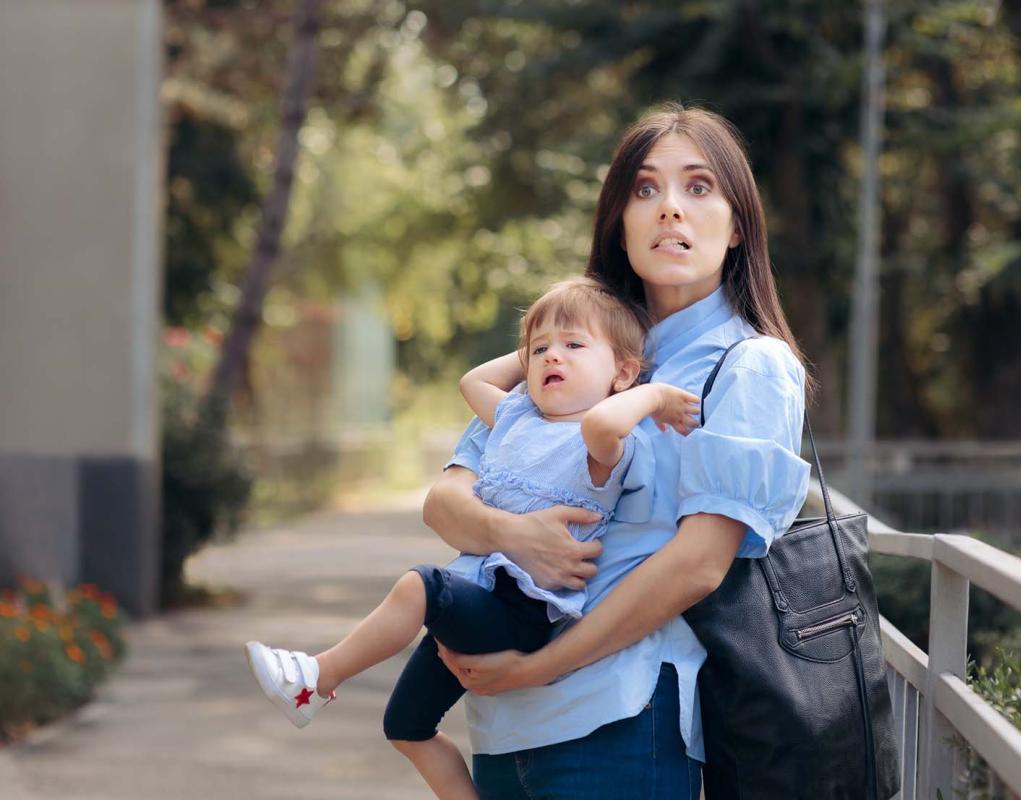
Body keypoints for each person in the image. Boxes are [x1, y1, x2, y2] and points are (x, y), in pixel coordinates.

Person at [423, 102, 812, 799]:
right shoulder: (574, 347)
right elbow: (447, 501)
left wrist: (541, 667)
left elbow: (697, 565)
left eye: (698, 188)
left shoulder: (749, 366)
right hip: (501, 724)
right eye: (644, 189)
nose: (669, 210)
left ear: (737, 227)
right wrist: (516, 534)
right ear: (619, 222)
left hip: (618, 720)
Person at [244, 276, 702, 800]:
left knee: (422, 586)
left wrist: (654, 393)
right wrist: (542, 343)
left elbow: (603, 421)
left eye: (574, 346)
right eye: (541, 350)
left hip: (520, 608)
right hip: (480, 596)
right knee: (405, 727)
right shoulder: (516, 418)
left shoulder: (606, 445)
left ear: (622, 372)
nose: (554, 357)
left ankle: (318, 677)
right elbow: (472, 381)